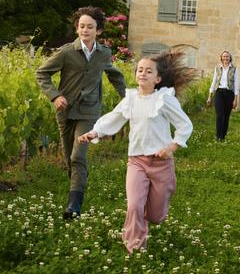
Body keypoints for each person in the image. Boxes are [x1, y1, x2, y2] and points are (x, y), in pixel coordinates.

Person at [78, 51, 195, 253]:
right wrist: (94, 132)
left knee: (157, 215)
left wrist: (172, 147)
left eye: (148, 71)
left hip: (161, 163)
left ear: (157, 79)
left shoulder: (164, 99)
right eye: (140, 70)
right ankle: (135, 247)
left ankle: (149, 215)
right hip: (137, 161)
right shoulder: (130, 99)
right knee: (134, 206)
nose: (142, 73)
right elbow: (113, 118)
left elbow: (185, 125)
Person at [36, 6, 126, 219]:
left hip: (89, 111)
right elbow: (42, 74)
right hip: (65, 111)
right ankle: (76, 186)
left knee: (78, 155)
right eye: (82, 26)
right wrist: (55, 96)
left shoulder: (104, 53)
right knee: (69, 157)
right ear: (77, 29)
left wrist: (129, 98)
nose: (85, 30)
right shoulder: (67, 52)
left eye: (90, 27)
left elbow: (115, 76)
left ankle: (74, 206)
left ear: (98, 31)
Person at [206, 51, 240, 141]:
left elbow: (236, 84)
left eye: (227, 56)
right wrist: (210, 96)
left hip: (229, 94)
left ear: (230, 58)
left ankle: (223, 136)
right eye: (224, 56)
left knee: (226, 115)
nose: (225, 58)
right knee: (219, 115)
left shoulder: (235, 69)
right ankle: (218, 136)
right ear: (221, 58)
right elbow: (214, 81)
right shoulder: (217, 68)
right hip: (219, 93)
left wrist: (235, 99)